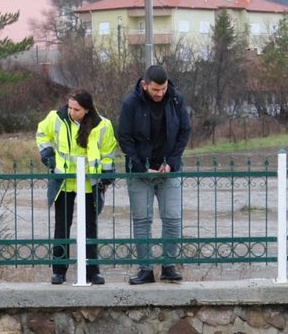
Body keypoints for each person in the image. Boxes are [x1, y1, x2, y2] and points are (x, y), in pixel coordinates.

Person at [116, 63, 192, 284]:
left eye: (163, 88)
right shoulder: (130, 103)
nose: (160, 93)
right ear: (144, 85)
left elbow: (185, 130)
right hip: (140, 172)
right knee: (142, 220)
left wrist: (172, 161)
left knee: (172, 219)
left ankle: (169, 266)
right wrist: (140, 167)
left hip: (169, 170)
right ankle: (145, 269)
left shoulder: (176, 99)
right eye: (155, 89)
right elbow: (125, 137)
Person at [34, 89, 115, 286]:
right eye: (70, 107)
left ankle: (92, 271)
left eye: (76, 109)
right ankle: (59, 271)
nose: (71, 111)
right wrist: (48, 156)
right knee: (62, 226)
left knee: (90, 227)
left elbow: (108, 152)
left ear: (87, 110)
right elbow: (41, 133)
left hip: (90, 182)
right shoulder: (57, 118)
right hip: (64, 180)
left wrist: (106, 178)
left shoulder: (103, 125)